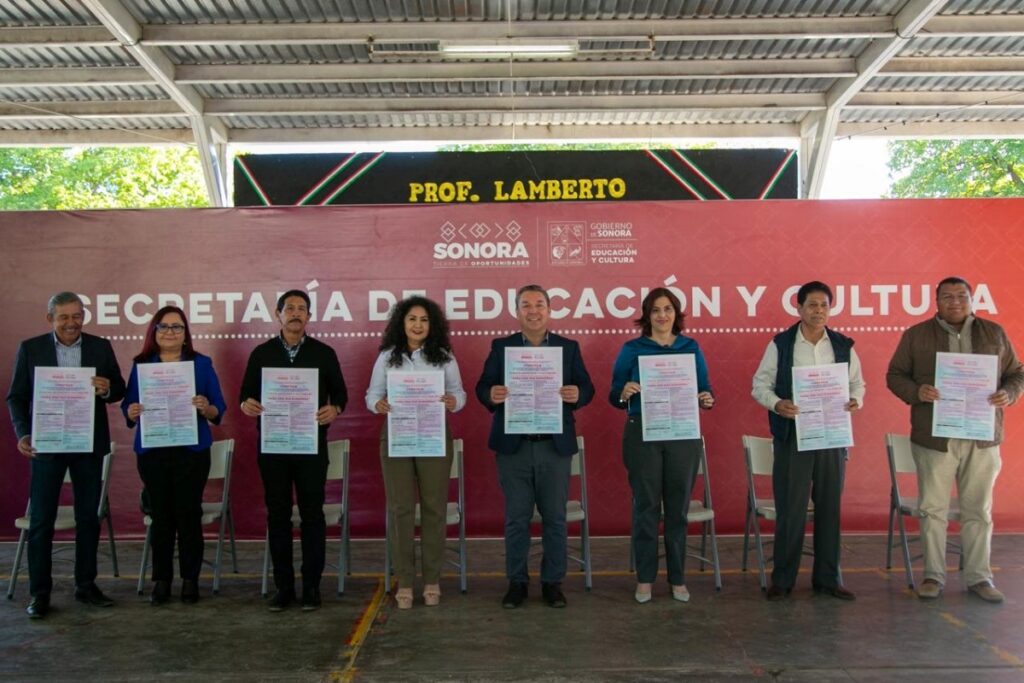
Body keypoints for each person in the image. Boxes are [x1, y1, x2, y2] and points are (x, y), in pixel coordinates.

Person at [886, 276, 1024, 603]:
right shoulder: (916, 335)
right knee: (932, 509)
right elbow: (894, 376)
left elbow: (1017, 373)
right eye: (947, 297)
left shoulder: (995, 333)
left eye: (961, 296)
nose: (955, 302)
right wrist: (917, 392)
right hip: (935, 438)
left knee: (978, 510)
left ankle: (979, 577)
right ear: (936, 302)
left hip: (982, 437)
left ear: (972, 300)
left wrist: (1009, 393)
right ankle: (933, 576)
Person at [6, 291, 126, 619]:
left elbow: (119, 389)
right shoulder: (31, 349)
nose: (71, 323)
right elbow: (16, 397)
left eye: (77, 316)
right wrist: (23, 433)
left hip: (88, 445)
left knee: (89, 518)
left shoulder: (100, 346)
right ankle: (40, 593)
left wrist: (106, 389)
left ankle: (86, 585)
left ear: (84, 316)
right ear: (51, 319)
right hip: (47, 445)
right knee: (42, 521)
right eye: (64, 317)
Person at [476, 284, 594, 609]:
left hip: (554, 447)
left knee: (555, 518)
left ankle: (552, 583)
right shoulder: (502, 348)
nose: (533, 311)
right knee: (516, 518)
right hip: (514, 446)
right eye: (526, 305)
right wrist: (492, 394)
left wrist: (577, 395)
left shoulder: (568, 348)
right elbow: (482, 386)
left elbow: (587, 388)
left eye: (539, 304)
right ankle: (517, 582)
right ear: (517, 312)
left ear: (550, 310)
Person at [751, 281, 864, 601]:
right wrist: (777, 404)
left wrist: (856, 399)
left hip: (832, 436)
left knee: (830, 509)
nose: (818, 311)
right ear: (798, 309)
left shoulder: (843, 345)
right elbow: (760, 385)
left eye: (824, 305)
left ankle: (828, 579)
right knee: (791, 509)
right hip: (793, 437)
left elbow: (858, 384)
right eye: (812, 305)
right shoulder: (782, 344)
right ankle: (783, 580)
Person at [240, 289, 347, 612]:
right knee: (279, 515)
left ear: (309, 316)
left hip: (310, 446)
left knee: (313, 515)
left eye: (302, 309)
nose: (296, 313)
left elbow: (341, 395)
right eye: (290, 308)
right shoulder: (261, 354)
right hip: (273, 448)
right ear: (278, 313)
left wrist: (336, 409)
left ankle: (312, 586)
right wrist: (247, 405)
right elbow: (245, 395)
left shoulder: (323, 353)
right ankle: (283, 586)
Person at [610, 287, 715, 604]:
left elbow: (705, 388)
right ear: (647, 315)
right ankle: (644, 579)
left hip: (683, 433)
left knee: (678, 511)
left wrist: (707, 399)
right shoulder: (632, 348)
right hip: (643, 432)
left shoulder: (690, 347)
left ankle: (678, 578)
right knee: (646, 508)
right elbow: (614, 393)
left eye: (667, 309)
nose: (662, 315)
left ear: (676, 314)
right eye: (655, 310)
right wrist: (624, 391)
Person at [121, 306, 227, 605]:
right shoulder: (142, 365)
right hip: (153, 451)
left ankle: (190, 579)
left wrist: (205, 408)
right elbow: (128, 407)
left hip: (191, 452)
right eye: (163, 327)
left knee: (189, 514)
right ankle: (162, 581)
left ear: (185, 334)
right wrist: (131, 412)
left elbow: (218, 408)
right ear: (153, 332)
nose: (170, 332)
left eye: (177, 327)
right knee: (161, 516)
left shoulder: (201, 364)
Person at [365, 296, 466, 610]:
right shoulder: (387, 357)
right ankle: (405, 582)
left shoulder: (444, 357)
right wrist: (377, 405)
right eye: (412, 319)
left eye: (424, 320)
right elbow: (372, 394)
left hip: (434, 436)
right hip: (397, 436)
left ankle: (432, 580)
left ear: (431, 324)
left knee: (435, 508)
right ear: (402, 323)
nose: (418, 325)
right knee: (401, 509)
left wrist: (453, 402)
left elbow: (460, 394)